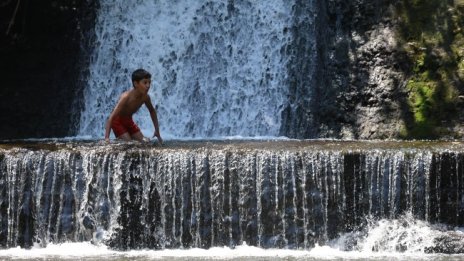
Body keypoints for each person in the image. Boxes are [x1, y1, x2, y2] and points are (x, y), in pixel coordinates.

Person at [104, 68, 163, 143]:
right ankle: (118, 141)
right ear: (136, 84)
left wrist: (157, 130)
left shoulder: (146, 97)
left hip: (128, 120)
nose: (148, 85)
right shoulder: (126, 97)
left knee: (145, 142)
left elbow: (152, 111)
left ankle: (122, 137)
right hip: (117, 121)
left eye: (149, 82)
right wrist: (106, 138)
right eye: (145, 83)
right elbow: (111, 117)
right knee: (129, 143)